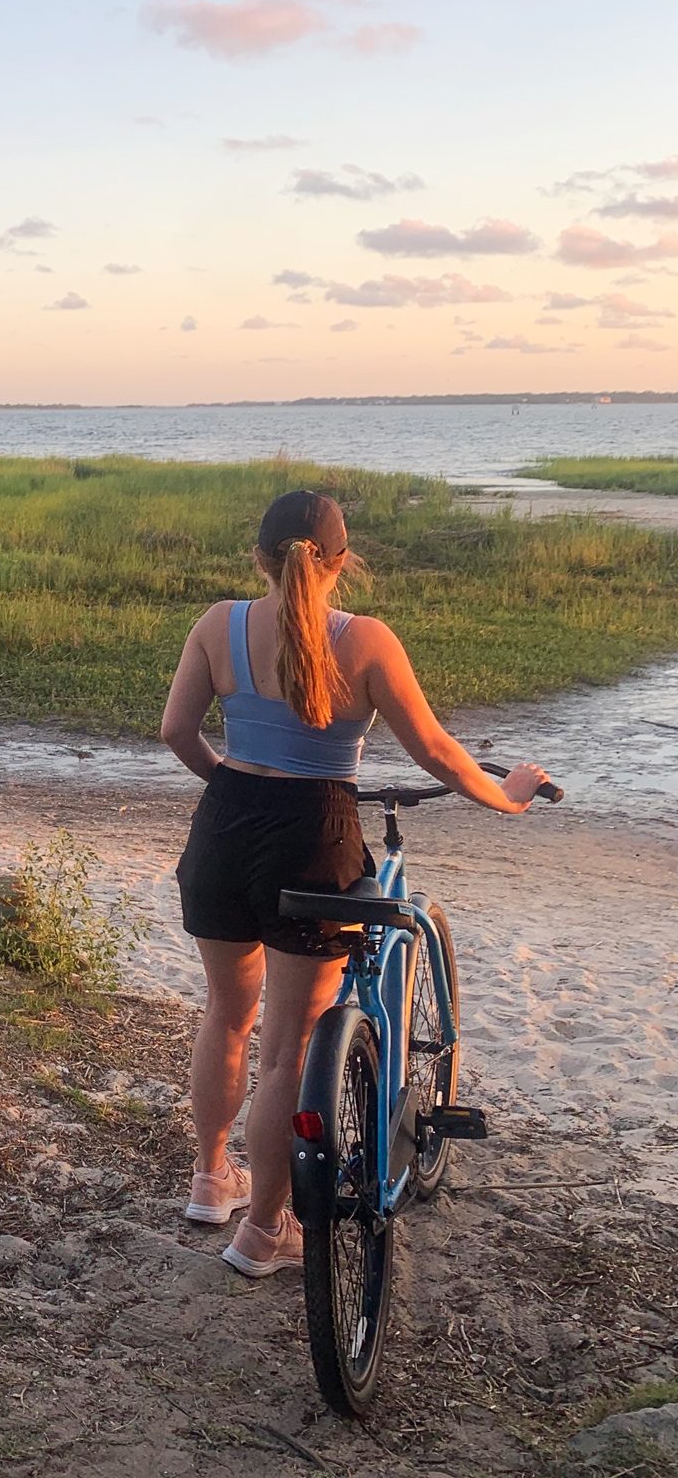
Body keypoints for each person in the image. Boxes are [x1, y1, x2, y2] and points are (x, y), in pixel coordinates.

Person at [160, 489, 549, 1277]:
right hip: (315, 837)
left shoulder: (218, 625)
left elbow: (177, 732)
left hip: (225, 831)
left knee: (227, 1016)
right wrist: (506, 797)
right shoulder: (365, 641)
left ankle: (210, 1180)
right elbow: (437, 751)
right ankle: (264, 1232)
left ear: (259, 558)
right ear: (342, 561)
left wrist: (235, 784)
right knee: (286, 1053)